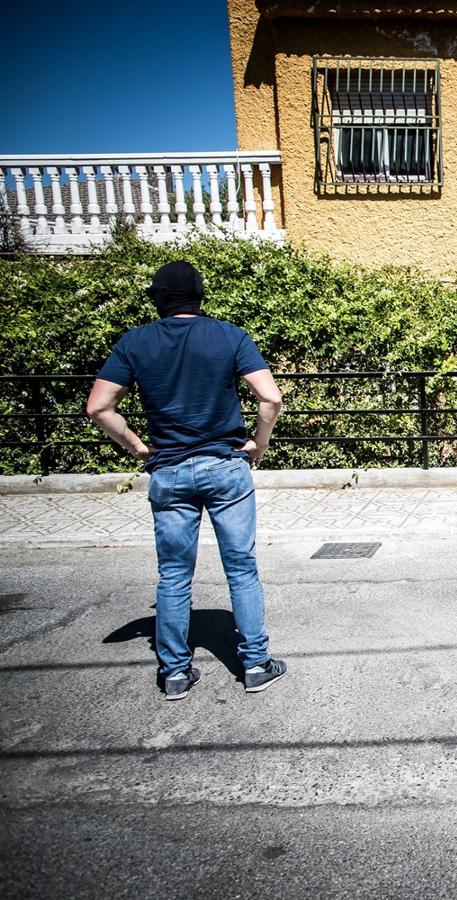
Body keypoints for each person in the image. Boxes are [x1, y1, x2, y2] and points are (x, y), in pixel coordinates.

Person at [86, 260, 288, 700]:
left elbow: (99, 408)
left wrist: (138, 447)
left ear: (158, 298)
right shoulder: (229, 336)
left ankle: (176, 672)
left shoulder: (135, 343)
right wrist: (258, 445)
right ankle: (255, 664)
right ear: (200, 296)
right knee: (241, 568)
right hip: (225, 465)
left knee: (174, 575)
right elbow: (269, 397)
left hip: (170, 470)